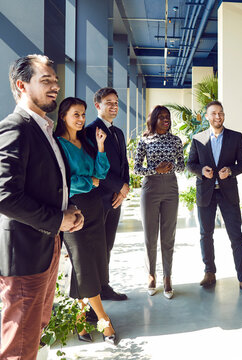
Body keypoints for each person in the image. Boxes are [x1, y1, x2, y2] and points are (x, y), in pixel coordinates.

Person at [0, 54, 84, 359]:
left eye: (55, 81)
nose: (55, 86)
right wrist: (57, 219)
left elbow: (48, 184)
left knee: (33, 331)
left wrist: (67, 215)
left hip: (43, 248)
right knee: (20, 345)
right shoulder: (13, 128)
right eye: (46, 81)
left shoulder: (43, 128)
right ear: (21, 85)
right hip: (23, 254)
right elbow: (4, 197)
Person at [55, 97, 117, 345]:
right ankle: (105, 322)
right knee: (83, 264)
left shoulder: (86, 141)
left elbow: (100, 174)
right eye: (75, 115)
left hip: (94, 209)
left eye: (83, 115)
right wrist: (87, 181)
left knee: (89, 264)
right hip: (73, 212)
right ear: (63, 116)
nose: (81, 119)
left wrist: (100, 147)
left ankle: (80, 321)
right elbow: (63, 181)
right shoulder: (58, 145)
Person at [187, 100, 242, 299]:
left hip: (228, 192)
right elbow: (190, 163)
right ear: (207, 116)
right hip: (206, 192)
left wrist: (231, 171)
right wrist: (201, 170)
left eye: (221, 113)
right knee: (205, 234)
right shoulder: (198, 138)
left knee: (236, 236)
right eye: (214, 113)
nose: (218, 117)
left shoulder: (235, 137)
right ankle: (209, 272)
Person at [134, 105, 184, 299]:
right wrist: (156, 170)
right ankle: (151, 275)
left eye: (168, 117)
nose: (166, 120)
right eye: (161, 117)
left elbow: (182, 165)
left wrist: (172, 167)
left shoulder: (176, 140)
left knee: (168, 235)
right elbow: (137, 169)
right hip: (150, 189)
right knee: (150, 235)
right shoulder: (145, 140)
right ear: (153, 120)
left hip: (171, 188)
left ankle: (167, 277)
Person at [86, 87, 130, 301]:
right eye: (108, 102)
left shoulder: (118, 132)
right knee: (96, 246)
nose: (114, 106)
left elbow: (124, 164)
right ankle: (94, 291)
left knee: (108, 244)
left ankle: (104, 286)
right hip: (99, 198)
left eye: (116, 102)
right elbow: (96, 166)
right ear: (98, 105)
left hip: (115, 199)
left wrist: (125, 188)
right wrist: (118, 187)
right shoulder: (90, 131)